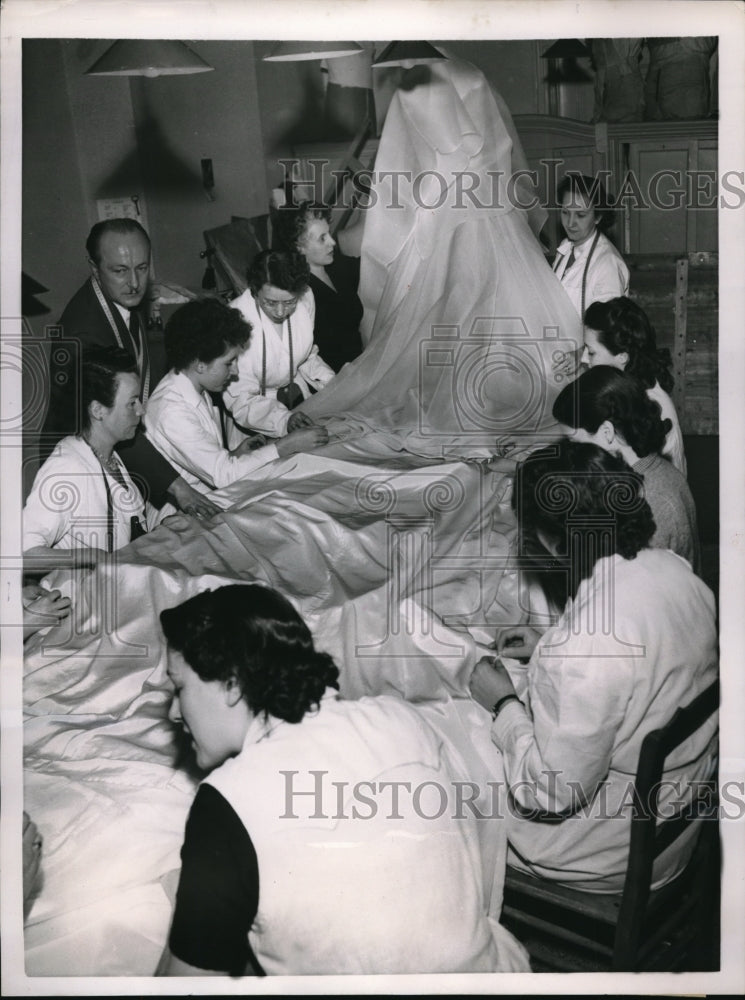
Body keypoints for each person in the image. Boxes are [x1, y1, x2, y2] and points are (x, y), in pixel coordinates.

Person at [156, 583, 525, 976]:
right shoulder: (401, 718)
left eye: (180, 688)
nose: (174, 713)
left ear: (231, 683)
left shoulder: (227, 800)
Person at [469, 440, 717, 892]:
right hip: (678, 821)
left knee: (458, 780)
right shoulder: (677, 571)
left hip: (608, 855)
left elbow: (549, 791)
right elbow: (638, 661)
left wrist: (503, 703)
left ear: (550, 538)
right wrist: (549, 645)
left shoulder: (584, 645)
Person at [40, 218, 217, 519]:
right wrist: (177, 488)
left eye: (142, 268)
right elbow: (109, 420)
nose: (134, 283)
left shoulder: (118, 299)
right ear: (94, 268)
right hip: (82, 463)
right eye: (119, 270)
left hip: (118, 439)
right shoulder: (83, 334)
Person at [144, 299, 328, 495]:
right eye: (229, 363)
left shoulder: (193, 385)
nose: (235, 371)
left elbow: (203, 462)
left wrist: (235, 455)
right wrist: (286, 445)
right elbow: (223, 476)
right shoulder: (172, 411)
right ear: (200, 364)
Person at [552, 366, 700, 571]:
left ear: (607, 433)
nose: (572, 453)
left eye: (574, 442)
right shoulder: (659, 470)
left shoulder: (647, 503)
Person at [24, 347, 159, 567]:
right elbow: (24, 553)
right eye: (132, 403)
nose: (141, 410)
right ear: (98, 410)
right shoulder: (67, 467)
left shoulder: (110, 456)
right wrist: (90, 557)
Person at [224, 250, 335, 440]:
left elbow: (307, 357)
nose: (280, 311)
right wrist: (283, 420)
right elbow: (241, 399)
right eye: (270, 302)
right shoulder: (233, 318)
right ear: (254, 290)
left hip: (300, 404)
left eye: (290, 302)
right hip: (255, 419)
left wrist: (334, 384)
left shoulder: (306, 297)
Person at [582, 296, 687, 475]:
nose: (584, 359)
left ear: (622, 357)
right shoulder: (625, 390)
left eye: (591, 352)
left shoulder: (650, 407)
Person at [272, 201, 363, 373]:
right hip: (329, 380)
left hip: (359, 365)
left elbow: (372, 266)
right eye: (322, 238)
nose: (333, 242)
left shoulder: (337, 265)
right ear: (299, 247)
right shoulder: (297, 293)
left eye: (328, 233)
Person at [552, 172, 629, 322]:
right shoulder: (565, 247)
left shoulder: (607, 265)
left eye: (580, 215)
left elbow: (607, 330)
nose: (570, 223)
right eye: (565, 212)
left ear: (598, 217)